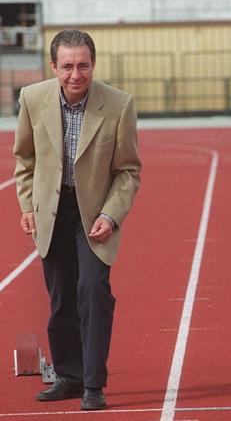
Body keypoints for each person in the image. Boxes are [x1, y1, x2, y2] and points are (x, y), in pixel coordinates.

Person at [13, 29, 142, 411]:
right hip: (51, 212)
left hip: (94, 215)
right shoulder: (33, 99)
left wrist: (111, 214)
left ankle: (93, 383)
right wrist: (26, 206)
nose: (75, 74)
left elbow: (128, 171)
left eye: (82, 65)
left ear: (93, 64)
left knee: (93, 292)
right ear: (53, 66)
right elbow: (25, 160)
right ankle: (68, 376)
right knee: (61, 297)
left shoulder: (118, 105)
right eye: (67, 66)